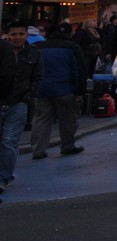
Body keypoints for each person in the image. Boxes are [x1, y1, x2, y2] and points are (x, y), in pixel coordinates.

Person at [32, 24, 87, 158]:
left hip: (42, 88)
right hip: (65, 89)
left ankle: (38, 149)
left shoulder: (40, 47)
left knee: (41, 119)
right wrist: (80, 90)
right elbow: (79, 70)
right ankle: (67, 145)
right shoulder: (72, 47)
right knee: (68, 120)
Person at [1, 24, 42, 200]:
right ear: (7, 35)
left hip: (18, 102)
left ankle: (3, 177)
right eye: (14, 34)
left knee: (9, 141)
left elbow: (37, 77)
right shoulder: (3, 52)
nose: (18, 37)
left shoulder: (34, 54)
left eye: (21, 34)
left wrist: (27, 97)